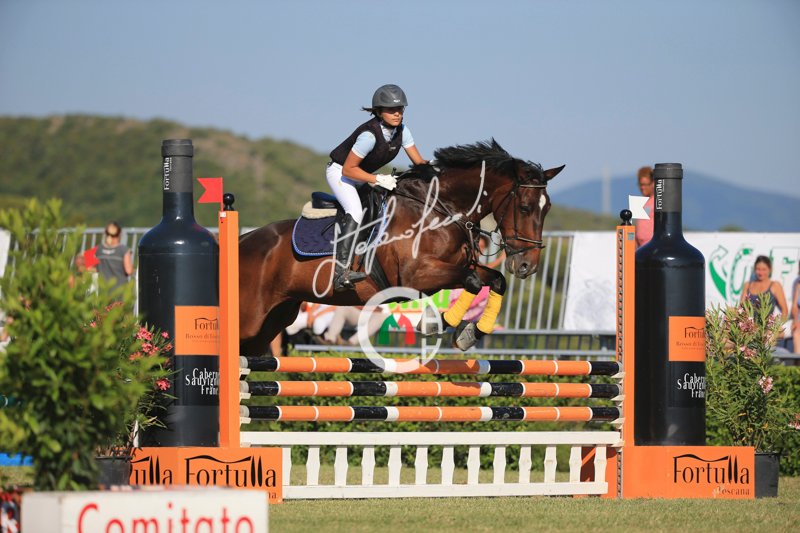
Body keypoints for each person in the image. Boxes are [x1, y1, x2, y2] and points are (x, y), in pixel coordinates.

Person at [327, 84, 428, 291]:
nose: (397, 113)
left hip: (360, 175)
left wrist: (439, 168)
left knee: (380, 208)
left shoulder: (403, 131)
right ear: (379, 111)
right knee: (355, 211)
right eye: (391, 109)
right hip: (341, 173)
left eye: (400, 109)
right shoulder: (369, 136)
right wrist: (377, 179)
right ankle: (340, 272)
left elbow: (419, 162)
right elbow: (348, 170)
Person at [739, 255, 789, 323]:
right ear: (754, 269)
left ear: (770, 269)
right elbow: (741, 308)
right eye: (758, 269)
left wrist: (777, 327)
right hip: (749, 327)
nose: (761, 273)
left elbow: (785, 310)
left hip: (766, 327)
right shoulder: (747, 285)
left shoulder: (775, 285)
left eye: (764, 269)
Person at [96, 221, 133, 289]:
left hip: (103, 290)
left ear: (105, 233)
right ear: (120, 234)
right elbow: (129, 271)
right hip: (120, 289)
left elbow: (87, 267)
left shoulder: (98, 249)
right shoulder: (124, 250)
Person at [634, 166, 654, 248]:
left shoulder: (658, 202)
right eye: (640, 184)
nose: (642, 188)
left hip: (652, 247)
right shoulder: (642, 202)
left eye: (645, 184)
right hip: (640, 247)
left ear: (653, 183)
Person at [791, 263, 800, 354]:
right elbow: (794, 307)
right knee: (797, 332)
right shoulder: (798, 284)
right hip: (798, 320)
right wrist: (795, 320)